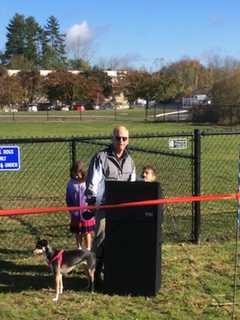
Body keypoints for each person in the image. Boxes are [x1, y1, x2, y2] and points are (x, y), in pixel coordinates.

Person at [85, 125, 136, 283]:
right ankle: (94, 273)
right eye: (118, 138)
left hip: (122, 209)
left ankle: (115, 270)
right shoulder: (101, 157)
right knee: (100, 240)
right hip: (104, 207)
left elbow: (132, 184)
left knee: (120, 239)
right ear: (112, 139)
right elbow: (92, 182)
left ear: (128, 140)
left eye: (124, 138)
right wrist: (93, 202)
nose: (121, 141)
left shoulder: (130, 161)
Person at [66, 160, 95, 250]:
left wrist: (91, 208)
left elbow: (92, 196)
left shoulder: (87, 183)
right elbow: (68, 197)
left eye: (78, 173)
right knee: (77, 232)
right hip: (75, 213)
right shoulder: (71, 183)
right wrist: (71, 209)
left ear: (83, 172)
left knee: (87, 232)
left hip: (87, 212)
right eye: (74, 173)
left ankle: (88, 249)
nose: (76, 175)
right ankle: (78, 248)